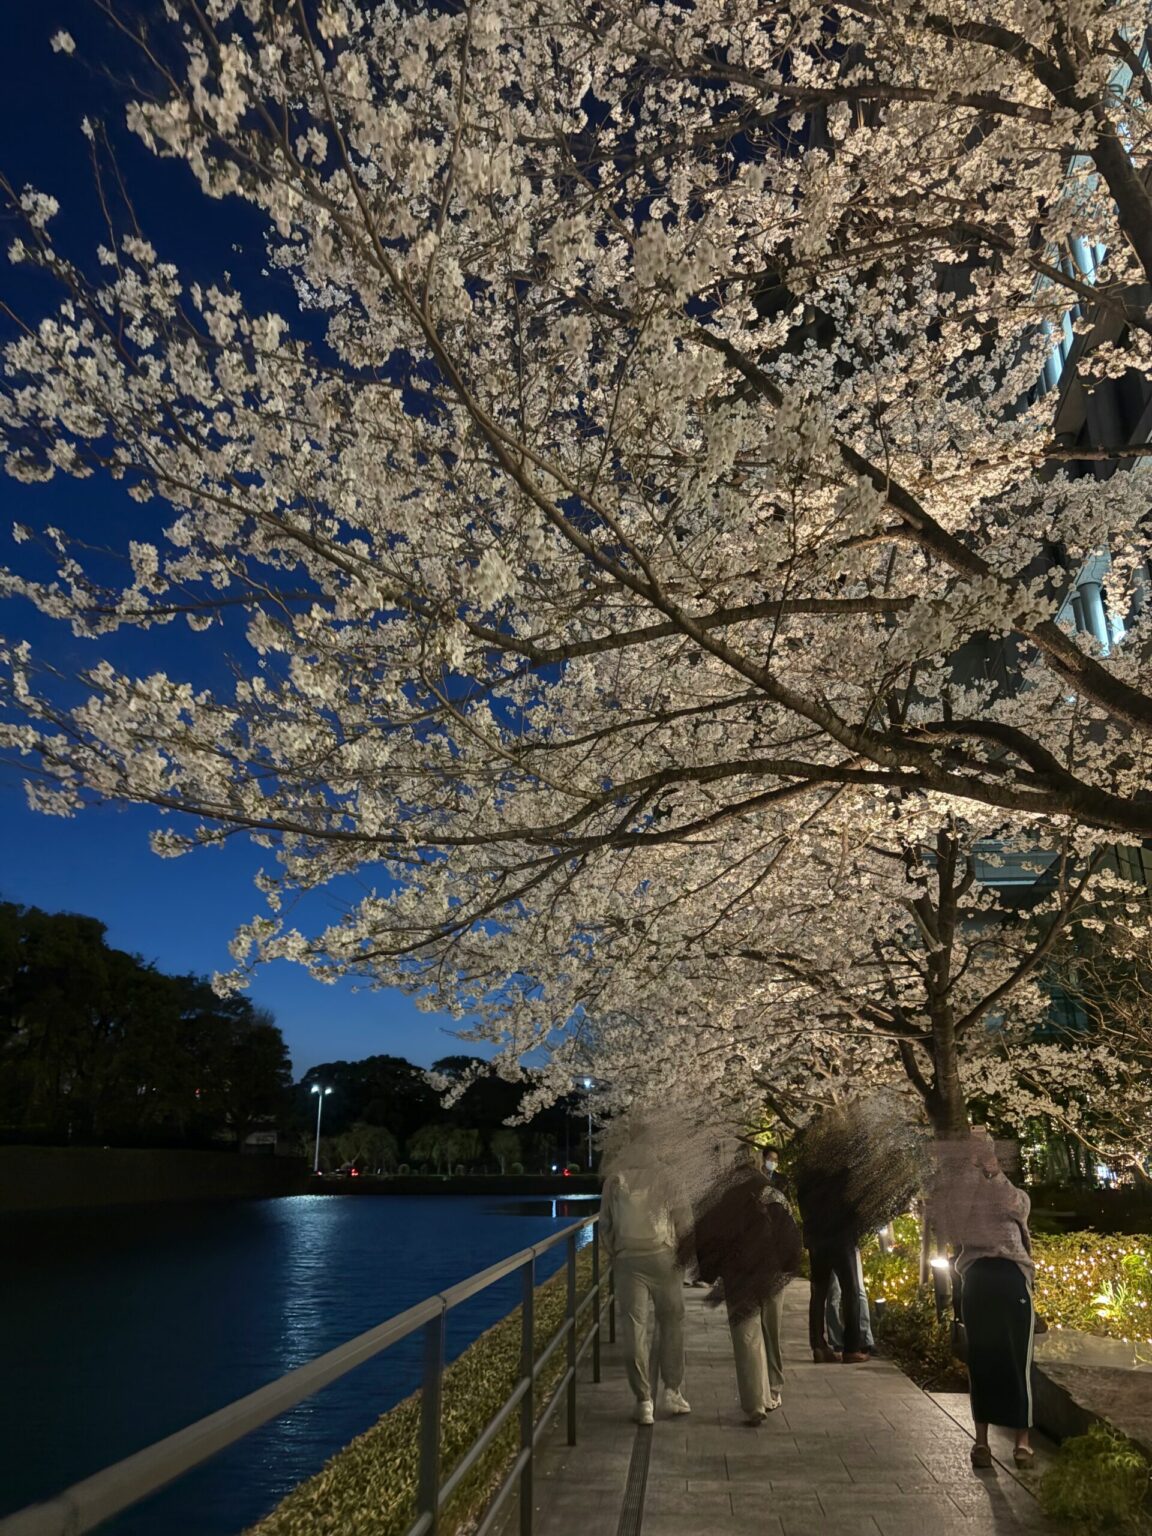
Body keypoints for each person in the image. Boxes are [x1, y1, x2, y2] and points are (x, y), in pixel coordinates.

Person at [935, 1129, 1035, 1470]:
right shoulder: (961, 1189)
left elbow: (1018, 1207)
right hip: (978, 1274)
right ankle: (981, 1442)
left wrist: (993, 1174)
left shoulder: (1007, 1185)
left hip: (1011, 1274)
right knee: (982, 1360)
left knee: (1016, 1359)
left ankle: (1022, 1442)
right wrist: (972, 1175)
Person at [690, 1146, 804, 1424]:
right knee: (771, 1330)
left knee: (747, 1337)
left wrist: (710, 1271)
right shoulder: (771, 1193)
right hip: (770, 1271)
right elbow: (790, 1234)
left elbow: (706, 1235)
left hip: (738, 1274)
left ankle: (755, 1403)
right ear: (756, 1165)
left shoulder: (722, 1197)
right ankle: (773, 1389)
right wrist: (789, 1265)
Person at [600, 1138, 692, 1425]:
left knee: (634, 1327)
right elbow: (684, 1220)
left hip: (628, 1261)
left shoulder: (615, 1178)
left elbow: (605, 1225)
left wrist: (617, 1252)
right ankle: (673, 1391)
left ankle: (643, 1401)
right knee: (672, 1322)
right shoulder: (667, 1175)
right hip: (663, 1256)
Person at [794, 1160, 870, 1364]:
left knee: (818, 1293)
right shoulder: (844, 1171)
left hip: (817, 1239)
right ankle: (851, 1348)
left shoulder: (807, 1172)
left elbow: (802, 1203)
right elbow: (855, 1203)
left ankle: (818, 1346)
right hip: (841, 1238)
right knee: (850, 1291)